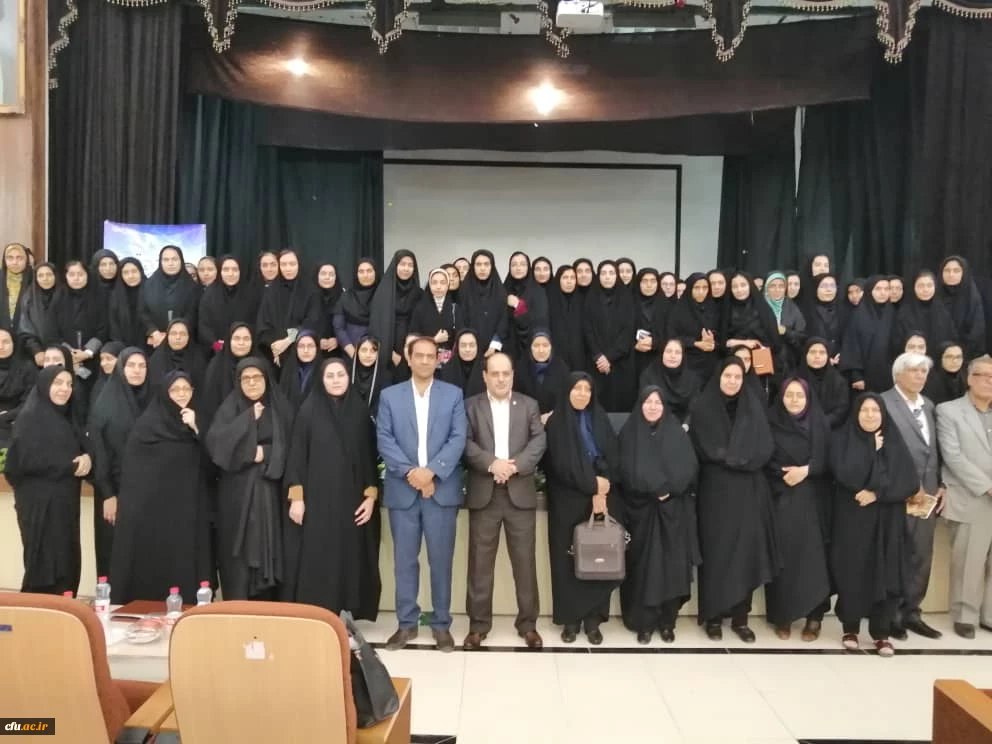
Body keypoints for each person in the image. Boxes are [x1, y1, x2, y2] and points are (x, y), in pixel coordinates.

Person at [376, 336, 467, 652]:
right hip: (403, 491)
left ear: (438, 360)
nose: (426, 361)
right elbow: (385, 439)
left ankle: (441, 625)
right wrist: (413, 474)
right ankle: (406, 624)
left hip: (441, 491)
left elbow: (458, 438)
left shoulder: (453, 395)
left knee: (441, 561)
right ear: (409, 358)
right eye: (420, 355)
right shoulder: (390, 396)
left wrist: (432, 473)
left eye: (431, 356)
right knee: (404, 562)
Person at [282, 358, 381, 616]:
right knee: (319, 555)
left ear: (349, 377)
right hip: (317, 501)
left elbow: (369, 457)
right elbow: (296, 456)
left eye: (341, 375)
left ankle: (346, 614)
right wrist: (297, 498)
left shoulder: (359, 412)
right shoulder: (308, 411)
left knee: (349, 556)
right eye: (330, 376)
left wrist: (371, 497)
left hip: (351, 501)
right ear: (321, 379)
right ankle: (318, 613)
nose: (336, 380)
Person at [462, 352, 546, 650]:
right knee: (479, 564)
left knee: (525, 563)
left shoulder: (528, 405)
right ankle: (478, 626)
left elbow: (538, 441)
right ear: (485, 376)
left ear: (512, 375)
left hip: (519, 493)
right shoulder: (471, 406)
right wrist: (491, 463)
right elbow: (464, 442)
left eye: (505, 373)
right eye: (495, 373)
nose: (500, 379)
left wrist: (514, 466)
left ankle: (528, 625)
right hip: (484, 494)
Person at [690, 357, 776, 642]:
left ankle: (741, 618)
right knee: (716, 554)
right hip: (715, 492)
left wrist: (740, 460)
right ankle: (713, 617)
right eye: (727, 375)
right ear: (719, 376)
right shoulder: (703, 407)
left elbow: (765, 447)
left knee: (745, 555)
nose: (732, 381)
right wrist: (729, 457)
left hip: (749, 491)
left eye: (737, 377)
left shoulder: (753, 406)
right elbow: (703, 445)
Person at [110, 371, 211, 603]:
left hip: (187, 513)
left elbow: (212, 462)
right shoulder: (146, 426)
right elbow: (135, 474)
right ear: (165, 393)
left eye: (186, 389)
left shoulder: (199, 421)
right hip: (152, 516)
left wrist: (197, 429)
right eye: (175, 390)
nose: (182, 394)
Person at [830, 393, 919, 656]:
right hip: (854, 521)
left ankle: (881, 634)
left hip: (888, 523)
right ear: (856, 414)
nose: (870, 415)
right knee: (853, 572)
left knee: (887, 575)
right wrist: (870, 449)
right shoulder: (843, 440)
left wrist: (877, 494)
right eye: (864, 410)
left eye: (875, 411)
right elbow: (847, 474)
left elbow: (908, 482)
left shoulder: (894, 441)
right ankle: (850, 628)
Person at [543, 372, 621, 644]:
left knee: (598, 558)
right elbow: (561, 464)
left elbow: (612, 455)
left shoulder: (600, 418)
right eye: (577, 388)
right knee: (568, 560)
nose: (582, 394)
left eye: (587, 389)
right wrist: (593, 483)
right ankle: (570, 620)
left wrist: (601, 486)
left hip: (599, 499)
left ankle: (593, 620)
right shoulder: (556, 423)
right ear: (567, 391)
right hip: (567, 500)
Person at [618, 386, 699, 644]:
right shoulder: (630, 433)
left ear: (664, 407)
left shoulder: (676, 433)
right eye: (648, 402)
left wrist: (669, 490)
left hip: (673, 512)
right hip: (640, 512)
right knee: (643, 570)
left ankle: (667, 622)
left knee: (670, 569)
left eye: (658, 402)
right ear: (640, 405)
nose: (652, 406)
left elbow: (689, 467)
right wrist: (655, 488)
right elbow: (625, 469)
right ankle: (643, 623)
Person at [206, 359, 291, 600]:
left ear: (267, 379)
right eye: (246, 378)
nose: (252, 383)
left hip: (272, 491)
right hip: (237, 494)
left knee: (270, 548)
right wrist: (248, 419)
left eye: (257, 377)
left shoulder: (280, 407)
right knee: (239, 557)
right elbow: (216, 445)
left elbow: (293, 445)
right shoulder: (229, 408)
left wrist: (266, 453)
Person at [6, 367, 90, 595]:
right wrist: (71, 465)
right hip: (40, 507)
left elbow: (80, 447)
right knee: (43, 567)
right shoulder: (30, 418)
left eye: (69, 384)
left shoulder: (66, 417)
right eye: (58, 383)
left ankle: (63, 612)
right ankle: (41, 614)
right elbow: (27, 462)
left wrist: (86, 458)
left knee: (66, 563)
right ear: (44, 386)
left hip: (64, 504)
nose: (65, 389)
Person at [880, 353, 944, 640]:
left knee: (921, 553)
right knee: (896, 553)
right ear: (898, 374)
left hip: (928, 493)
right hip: (897, 492)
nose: (920, 376)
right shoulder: (883, 403)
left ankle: (912, 612)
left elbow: (934, 449)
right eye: (914, 370)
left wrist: (940, 483)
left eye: (923, 371)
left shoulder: (928, 405)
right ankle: (891, 613)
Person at [764, 379, 832, 641]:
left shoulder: (820, 423)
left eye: (799, 395)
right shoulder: (771, 422)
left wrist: (807, 470)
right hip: (783, 497)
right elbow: (764, 457)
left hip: (816, 501)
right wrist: (785, 474)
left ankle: (815, 617)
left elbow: (830, 458)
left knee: (815, 560)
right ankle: (783, 615)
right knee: (784, 558)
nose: (794, 400)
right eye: (789, 395)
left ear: (808, 398)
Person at [936, 355, 992, 639]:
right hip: (970, 496)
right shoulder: (949, 411)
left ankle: (989, 615)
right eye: (983, 375)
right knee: (969, 561)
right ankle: (964, 615)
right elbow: (953, 456)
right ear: (969, 378)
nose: (989, 381)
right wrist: (987, 486)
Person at [87, 347, 149, 579]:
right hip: (114, 494)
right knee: (114, 557)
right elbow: (99, 452)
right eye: (131, 365)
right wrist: (108, 494)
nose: (137, 371)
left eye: (142, 366)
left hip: (145, 494)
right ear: (121, 368)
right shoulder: (105, 404)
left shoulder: (152, 401)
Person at [583, 260, 636, 413]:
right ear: (598, 276)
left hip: (621, 363)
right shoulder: (590, 298)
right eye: (603, 273)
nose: (607, 277)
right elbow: (587, 330)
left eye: (611, 273)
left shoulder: (627, 299)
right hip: (596, 363)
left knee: (620, 406)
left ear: (617, 276)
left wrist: (609, 357)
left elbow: (628, 332)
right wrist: (599, 356)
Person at [256, 249, 319, 370]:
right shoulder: (271, 291)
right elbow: (263, 324)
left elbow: (312, 321)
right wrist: (275, 347)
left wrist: (288, 340)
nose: (288, 268)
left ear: (299, 265)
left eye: (292, 264)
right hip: (274, 356)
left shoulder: (311, 291)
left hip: (303, 351)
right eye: (284, 264)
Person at [369, 250, 422, 377]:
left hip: (414, 351)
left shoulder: (419, 293)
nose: (406, 268)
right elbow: (377, 325)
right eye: (402, 264)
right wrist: (389, 352)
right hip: (388, 352)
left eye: (410, 265)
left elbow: (422, 323)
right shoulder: (383, 291)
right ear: (395, 266)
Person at [200, 321, 260, 430]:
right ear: (229, 341)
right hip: (222, 427)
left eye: (246, 339)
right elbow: (209, 406)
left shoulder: (260, 366)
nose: (241, 343)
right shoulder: (216, 366)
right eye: (236, 338)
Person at [138, 246, 200, 350]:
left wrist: (174, 334)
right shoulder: (149, 285)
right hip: (156, 341)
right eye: (166, 260)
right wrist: (154, 332)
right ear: (160, 262)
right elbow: (143, 312)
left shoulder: (192, 286)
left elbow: (193, 313)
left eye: (174, 259)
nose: (170, 263)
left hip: (183, 340)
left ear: (181, 261)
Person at [841, 276, 895, 393]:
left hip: (890, 376)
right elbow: (852, 347)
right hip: (866, 377)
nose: (883, 293)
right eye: (878, 289)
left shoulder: (892, 313)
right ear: (870, 291)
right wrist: (857, 376)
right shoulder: (858, 315)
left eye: (886, 289)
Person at [667, 273, 719, 382]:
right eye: (697, 288)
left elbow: (722, 337)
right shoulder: (678, 310)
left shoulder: (714, 309)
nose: (701, 292)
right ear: (690, 289)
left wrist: (712, 343)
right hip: (686, 363)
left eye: (705, 288)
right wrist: (695, 343)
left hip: (710, 365)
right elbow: (671, 337)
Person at [895, 270, 957, 360]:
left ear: (935, 287)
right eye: (921, 286)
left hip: (939, 363)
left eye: (929, 285)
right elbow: (898, 344)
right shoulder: (904, 313)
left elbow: (951, 339)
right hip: (911, 363)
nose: (925, 290)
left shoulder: (943, 312)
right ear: (913, 287)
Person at [637, 338, 701, 425]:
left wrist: (685, 425)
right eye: (668, 351)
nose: (673, 356)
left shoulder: (692, 379)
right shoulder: (649, 375)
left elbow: (694, 408)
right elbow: (644, 406)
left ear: (683, 356)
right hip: (655, 425)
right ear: (662, 353)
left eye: (677, 352)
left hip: (684, 427)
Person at [198, 256, 254, 354]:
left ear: (241, 271)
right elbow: (204, 327)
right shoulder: (209, 295)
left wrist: (242, 345)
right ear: (220, 272)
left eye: (235, 270)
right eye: (226, 270)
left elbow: (255, 323)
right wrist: (218, 347)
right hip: (216, 352)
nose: (230, 274)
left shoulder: (251, 294)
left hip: (245, 350)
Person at [458, 250, 508, 358]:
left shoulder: (500, 292)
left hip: (495, 351)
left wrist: (494, 346)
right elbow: (461, 321)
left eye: (486, 264)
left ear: (492, 267)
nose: (482, 268)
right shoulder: (464, 291)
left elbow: (504, 321)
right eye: (478, 264)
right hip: (469, 350)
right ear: (473, 267)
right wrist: (470, 345)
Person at [512, 330, 569, 423]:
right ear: (530, 348)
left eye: (545, 345)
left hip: (556, 423)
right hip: (527, 423)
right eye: (536, 345)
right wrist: (536, 418)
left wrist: (552, 416)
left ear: (551, 347)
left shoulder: (562, 370)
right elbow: (516, 401)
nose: (541, 350)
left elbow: (566, 400)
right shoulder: (521, 370)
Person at [502, 252, 549, 361]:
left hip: (529, 349)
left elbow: (540, 323)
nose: (518, 268)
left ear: (528, 267)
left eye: (522, 264)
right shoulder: (503, 290)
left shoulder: (538, 292)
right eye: (514, 265)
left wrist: (518, 306)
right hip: (506, 349)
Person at [939, 256, 986, 359]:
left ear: (964, 273)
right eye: (947, 270)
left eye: (956, 271)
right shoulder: (934, 296)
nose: (951, 274)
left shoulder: (972, 298)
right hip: (936, 354)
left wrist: (958, 353)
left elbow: (977, 331)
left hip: (966, 356)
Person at [797, 338, 850, 429]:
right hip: (799, 428)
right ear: (805, 354)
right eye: (813, 352)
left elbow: (841, 409)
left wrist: (822, 423)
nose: (817, 356)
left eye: (822, 353)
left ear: (828, 356)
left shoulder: (839, 381)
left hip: (830, 430)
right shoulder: (794, 380)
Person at [334, 258, 379, 359]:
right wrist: (353, 353)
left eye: (369, 271)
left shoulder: (384, 296)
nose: (365, 275)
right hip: (350, 354)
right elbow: (339, 327)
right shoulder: (346, 297)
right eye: (361, 271)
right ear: (356, 274)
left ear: (376, 273)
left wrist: (372, 353)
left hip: (377, 354)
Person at [409, 268, 457, 363]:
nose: (438, 286)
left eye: (442, 282)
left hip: (450, 361)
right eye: (434, 283)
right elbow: (413, 337)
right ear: (430, 285)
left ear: (448, 285)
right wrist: (434, 340)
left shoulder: (455, 308)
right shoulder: (420, 308)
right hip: (425, 358)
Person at [17, 262, 60, 365]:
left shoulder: (65, 295)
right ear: (35, 278)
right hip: (36, 355)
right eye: (40, 275)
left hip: (63, 352)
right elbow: (25, 328)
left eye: (49, 274)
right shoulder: (28, 298)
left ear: (55, 276)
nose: (45, 278)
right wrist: (36, 350)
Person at [764, 271, 807, 376]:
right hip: (763, 359)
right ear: (766, 288)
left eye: (781, 286)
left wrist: (785, 332)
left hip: (787, 364)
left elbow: (802, 337)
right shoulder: (759, 306)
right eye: (773, 286)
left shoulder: (792, 308)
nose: (777, 290)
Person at [632, 269, 673, 379]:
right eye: (645, 281)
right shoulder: (630, 303)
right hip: (633, 359)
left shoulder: (666, 305)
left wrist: (654, 342)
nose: (649, 285)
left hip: (658, 359)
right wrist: (634, 345)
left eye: (653, 281)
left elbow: (672, 333)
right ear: (638, 283)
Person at [147, 318, 207, 391]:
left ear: (189, 337)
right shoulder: (156, 360)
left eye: (183, 334)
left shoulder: (198, 359)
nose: (178, 337)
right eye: (173, 333)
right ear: (167, 336)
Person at [546, 265, 586, 372]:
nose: (569, 281)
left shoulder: (583, 301)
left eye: (572, 278)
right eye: (565, 278)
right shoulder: (549, 300)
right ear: (558, 280)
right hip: (555, 356)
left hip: (579, 357)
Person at [0, 330, 35, 449]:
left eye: (5, 342)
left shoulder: (27, 368)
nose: (1, 346)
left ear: (14, 343)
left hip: (18, 420)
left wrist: (8, 416)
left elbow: (30, 401)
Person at [107, 258, 147, 348]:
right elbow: (114, 328)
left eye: (134, 271)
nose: (130, 276)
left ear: (141, 272)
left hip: (150, 346)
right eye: (125, 273)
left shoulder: (152, 292)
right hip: (122, 349)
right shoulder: (115, 296)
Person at [802, 274, 844, 356]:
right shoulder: (806, 310)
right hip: (814, 358)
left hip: (840, 359)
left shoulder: (843, 309)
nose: (829, 289)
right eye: (824, 286)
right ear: (815, 288)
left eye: (832, 286)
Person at [277, 330, 319, 410]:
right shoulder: (288, 371)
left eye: (310, 346)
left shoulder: (324, 372)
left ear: (317, 348)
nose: (306, 350)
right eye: (301, 346)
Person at [351, 336, 391, 416]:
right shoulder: (347, 373)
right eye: (364, 350)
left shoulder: (385, 376)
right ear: (357, 352)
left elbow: (383, 405)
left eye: (373, 351)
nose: (368, 355)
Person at [440, 329, 485, 398]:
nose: (467, 349)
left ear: (478, 347)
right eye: (463, 345)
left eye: (472, 345)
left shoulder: (486, 370)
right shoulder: (447, 370)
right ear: (457, 348)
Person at [0, 242, 32, 334]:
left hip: (28, 335)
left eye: (19, 258)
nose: (15, 262)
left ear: (26, 260)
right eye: (10, 258)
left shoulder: (34, 279)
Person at [313, 263, 342, 357]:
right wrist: (315, 340)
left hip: (339, 352)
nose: (327, 277)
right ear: (317, 276)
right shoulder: (308, 298)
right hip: (311, 350)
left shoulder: (344, 297)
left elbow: (349, 325)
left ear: (336, 277)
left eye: (331, 274)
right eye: (323, 274)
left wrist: (338, 340)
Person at [89, 249, 119, 329]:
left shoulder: (123, 286)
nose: (108, 268)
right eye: (103, 264)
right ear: (96, 267)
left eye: (111, 264)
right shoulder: (88, 289)